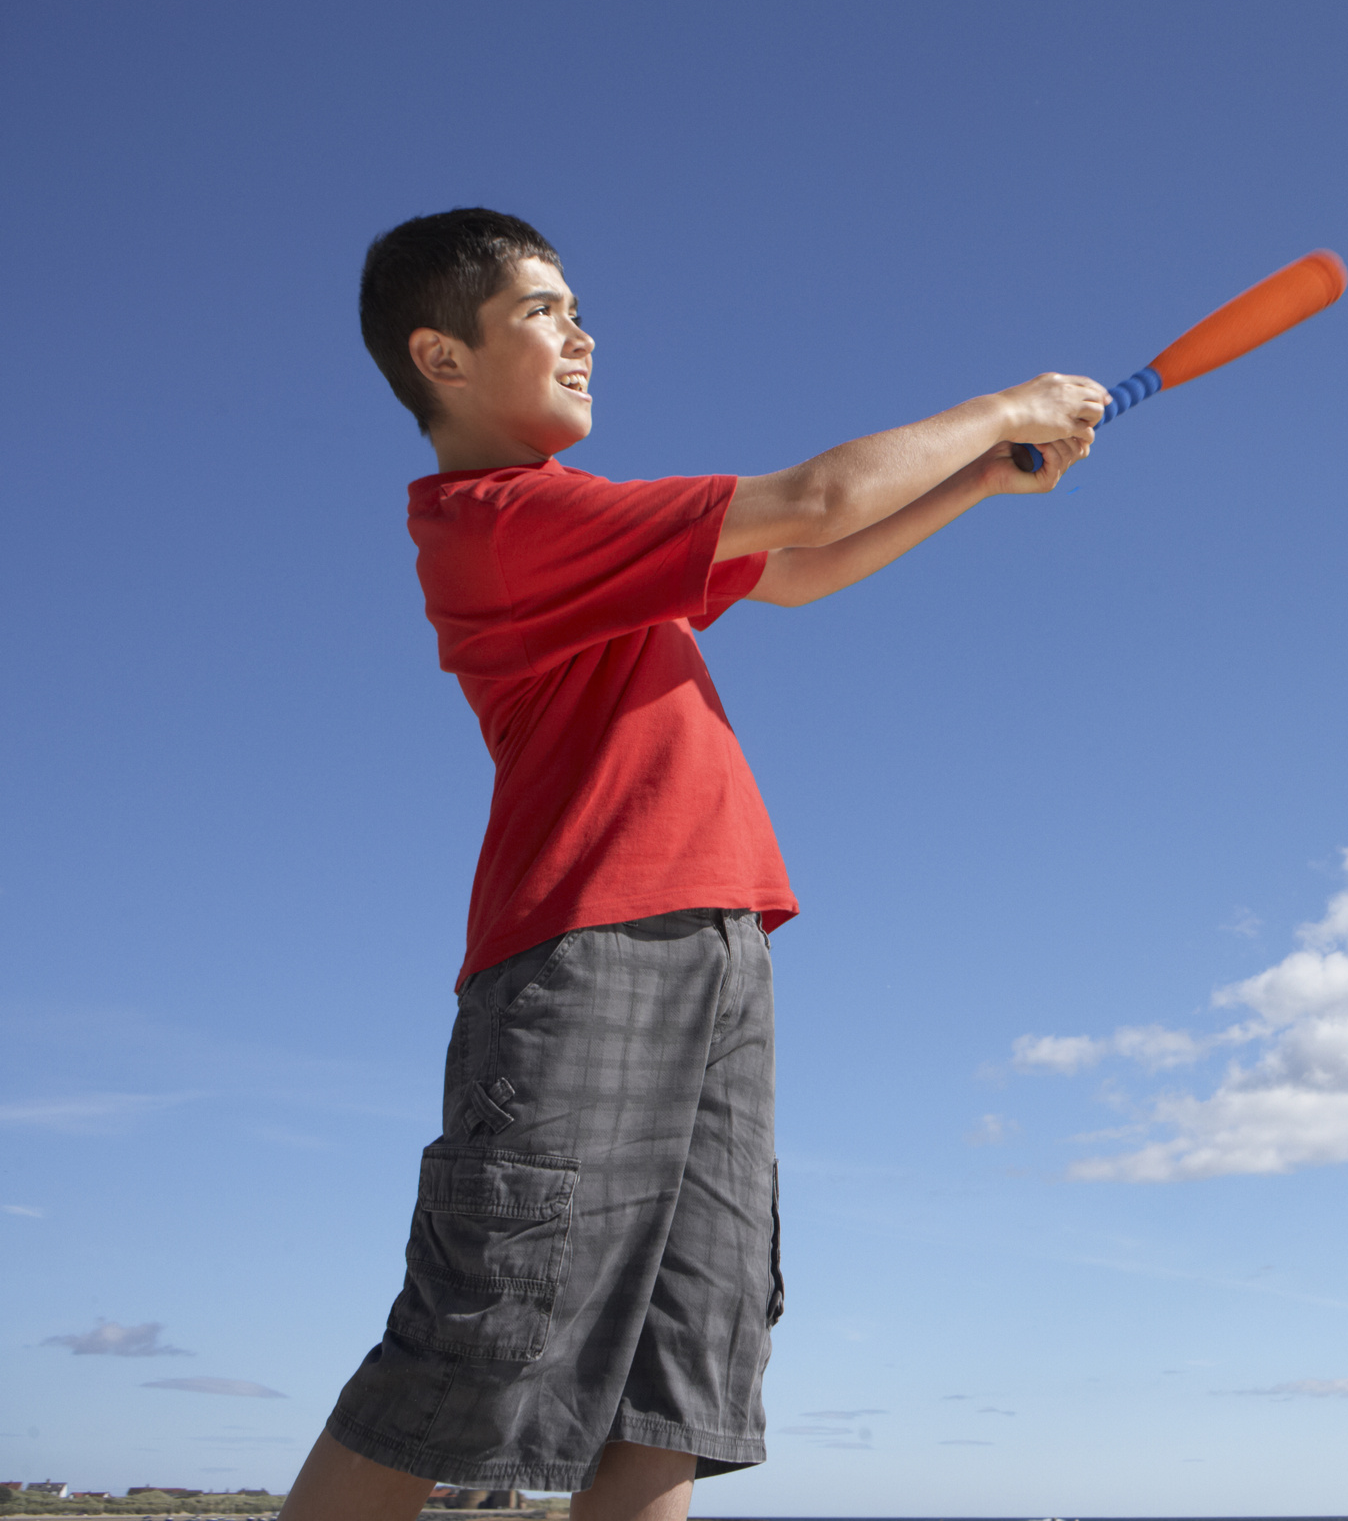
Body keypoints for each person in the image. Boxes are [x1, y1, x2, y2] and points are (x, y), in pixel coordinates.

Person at [278, 208, 1100, 1521]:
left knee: (682, 1386)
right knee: (477, 1341)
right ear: (440, 356)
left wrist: (981, 478)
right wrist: (1011, 400)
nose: (583, 333)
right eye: (545, 309)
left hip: (722, 948)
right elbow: (817, 499)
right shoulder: (498, 522)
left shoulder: (589, 534)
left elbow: (805, 567)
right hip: (592, 950)